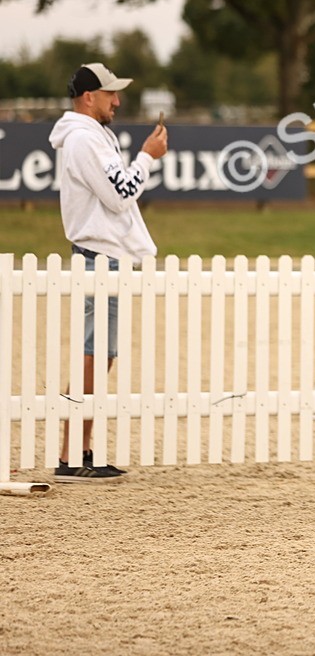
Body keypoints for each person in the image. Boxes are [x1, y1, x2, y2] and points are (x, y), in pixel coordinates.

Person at [47, 63, 168, 482]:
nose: (117, 101)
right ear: (88, 97)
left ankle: (81, 451)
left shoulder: (91, 137)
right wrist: (147, 158)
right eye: (110, 94)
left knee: (101, 354)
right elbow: (122, 194)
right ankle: (71, 456)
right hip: (99, 256)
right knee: (94, 354)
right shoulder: (84, 140)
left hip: (104, 256)